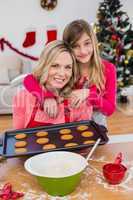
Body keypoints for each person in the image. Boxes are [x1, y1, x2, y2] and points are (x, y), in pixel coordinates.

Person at [23, 19, 117, 127]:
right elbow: (29, 79)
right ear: (68, 48)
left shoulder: (108, 69)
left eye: (87, 43)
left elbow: (109, 110)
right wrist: (47, 97)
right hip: (68, 126)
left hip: (97, 128)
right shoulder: (67, 67)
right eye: (76, 46)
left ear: (94, 42)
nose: (83, 51)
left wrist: (89, 94)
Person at [12, 40, 92, 129]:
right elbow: (18, 137)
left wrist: (89, 92)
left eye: (68, 67)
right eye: (55, 65)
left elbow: (84, 137)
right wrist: (46, 97)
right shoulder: (22, 98)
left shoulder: (78, 101)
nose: (62, 73)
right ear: (44, 66)